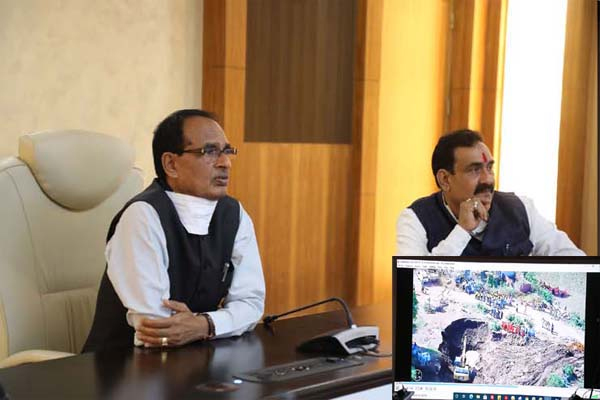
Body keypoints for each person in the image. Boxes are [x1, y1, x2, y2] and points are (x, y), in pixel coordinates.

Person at [83, 109, 265, 351]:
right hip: (123, 364)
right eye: (210, 151)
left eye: (227, 151)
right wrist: (221, 322)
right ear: (171, 164)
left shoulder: (234, 214)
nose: (225, 163)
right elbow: (157, 328)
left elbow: (251, 304)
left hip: (196, 359)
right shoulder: (142, 216)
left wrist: (205, 324)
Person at [396, 129, 585, 256]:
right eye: (474, 170)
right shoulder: (415, 218)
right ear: (445, 179)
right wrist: (462, 231)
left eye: (489, 168)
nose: (487, 180)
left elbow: (572, 259)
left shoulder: (521, 208)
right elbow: (413, 286)